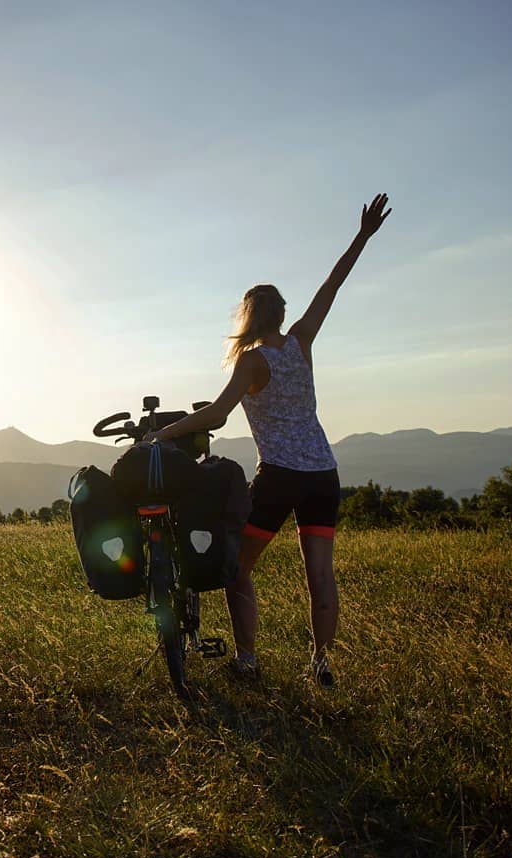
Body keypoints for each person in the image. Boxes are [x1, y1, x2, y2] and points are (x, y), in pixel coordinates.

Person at [144, 194, 392, 689]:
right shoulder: (302, 342)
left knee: (237, 569)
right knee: (320, 575)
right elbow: (332, 286)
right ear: (281, 314)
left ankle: (248, 659)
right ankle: (321, 662)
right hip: (323, 475)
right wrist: (362, 236)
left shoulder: (252, 362)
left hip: (278, 477)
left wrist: (158, 434)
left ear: (248, 316)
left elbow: (216, 413)